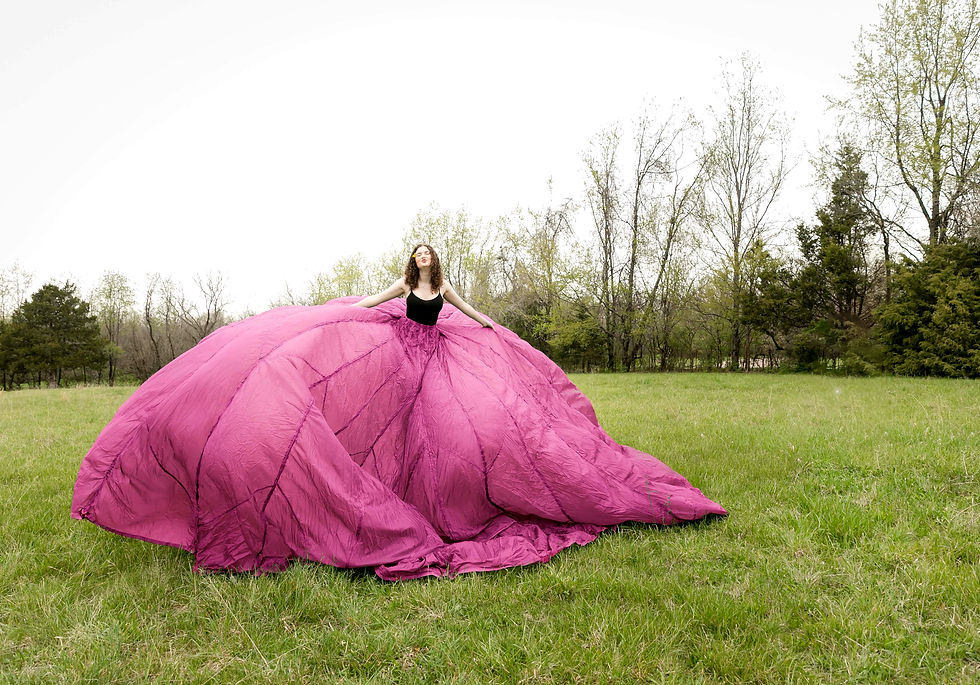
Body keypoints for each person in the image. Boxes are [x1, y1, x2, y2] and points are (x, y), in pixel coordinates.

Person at [72, 243, 725, 581]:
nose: (419, 263)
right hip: (397, 348)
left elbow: (468, 313)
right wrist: (329, 315)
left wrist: (495, 330)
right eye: (413, 257)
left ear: (433, 263)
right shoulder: (402, 287)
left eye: (424, 257)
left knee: (455, 436)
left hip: (432, 355)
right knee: (383, 425)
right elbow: (368, 304)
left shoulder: (443, 290)